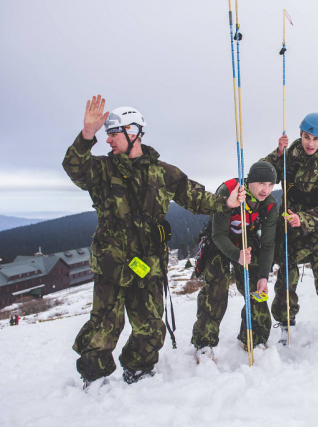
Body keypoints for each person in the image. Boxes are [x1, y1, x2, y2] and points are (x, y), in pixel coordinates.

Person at [63, 95, 245, 389]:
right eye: (106, 134)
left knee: (150, 326)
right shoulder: (102, 170)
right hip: (111, 263)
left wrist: (226, 203)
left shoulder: (164, 173)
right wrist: (87, 135)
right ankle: (93, 378)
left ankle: (138, 370)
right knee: (104, 326)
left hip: (147, 264)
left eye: (112, 133)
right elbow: (74, 169)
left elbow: (196, 197)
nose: (107, 140)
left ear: (132, 133)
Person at [261, 112, 318, 343]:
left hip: (315, 229)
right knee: (286, 279)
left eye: (315, 139)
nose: (310, 143)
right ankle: (285, 323)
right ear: (300, 134)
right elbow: (263, 175)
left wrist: (304, 219)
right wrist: (278, 154)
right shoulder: (288, 156)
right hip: (287, 229)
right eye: (306, 136)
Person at [191, 162, 278, 360]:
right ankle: (204, 343)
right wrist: (236, 255)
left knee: (256, 288)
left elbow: (268, 243)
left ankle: (254, 337)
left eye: (271, 185)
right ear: (250, 181)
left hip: (247, 243)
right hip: (219, 241)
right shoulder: (229, 191)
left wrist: (264, 275)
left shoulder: (270, 204)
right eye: (261, 183)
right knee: (216, 289)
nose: (266, 189)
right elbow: (218, 234)